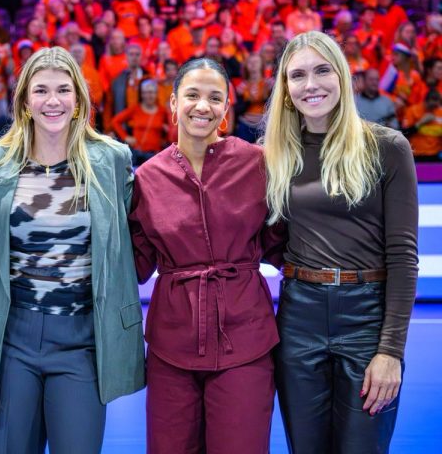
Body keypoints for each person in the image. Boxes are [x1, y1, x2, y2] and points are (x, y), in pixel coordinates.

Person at [0, 46, 145, 454]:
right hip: (12, 340)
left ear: (79, 100)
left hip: (82, 341)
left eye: (63, 90)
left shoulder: (112, 160)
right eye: (42, 91)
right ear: (25, 103)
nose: (53, 101)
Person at [264, 31, 418, 454]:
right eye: (297, 75)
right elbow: (263, 236)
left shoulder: (387, 147)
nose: (310, 84)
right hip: (299, 320)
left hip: (367, 322)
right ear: (286, 90)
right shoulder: (274, 153)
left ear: (343, 76)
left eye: (322, 70)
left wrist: (390, 351)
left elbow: (403, 258)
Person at [128, 58, 285, 453]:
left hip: (246, 336)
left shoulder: (257, 164)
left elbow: (282, 242)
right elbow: (136, 263)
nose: (203, 106)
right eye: (192, 95)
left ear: (227, 108)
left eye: (215, 98)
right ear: (173, 103)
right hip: (172, 341)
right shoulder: (147, 177)